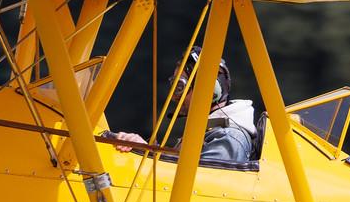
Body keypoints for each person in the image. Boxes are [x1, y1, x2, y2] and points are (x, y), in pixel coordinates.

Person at [110, 53, 257, 163]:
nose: (175, 96)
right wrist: (147, 150)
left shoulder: (229, 138)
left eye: (180, 86)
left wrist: (149, 155)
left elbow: (200, 189)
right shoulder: (207, 133)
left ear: (208, 90)